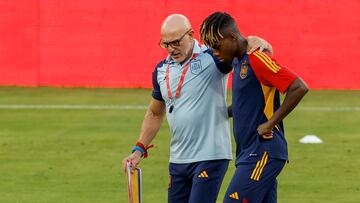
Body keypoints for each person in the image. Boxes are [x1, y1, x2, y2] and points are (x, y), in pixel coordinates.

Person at [122, 14, 272, 203]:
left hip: (211, 155)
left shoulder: (213, 57)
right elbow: (155, 112)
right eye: (165, 44)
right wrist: (138, 150)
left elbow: (240, 46)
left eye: (176, 42)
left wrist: (254, 40)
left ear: (191, 34)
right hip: (178, 159)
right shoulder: (161, 70)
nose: (171, 49)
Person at [200, 12, 309, 203]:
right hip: (248, 152)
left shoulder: (257, 59)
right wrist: (222, 112)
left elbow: (299, 87)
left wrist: (270, 123)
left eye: (217, 46)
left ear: (232, 38)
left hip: (263, 152)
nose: (215, 52)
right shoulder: (237, 61)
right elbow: (247, 105)